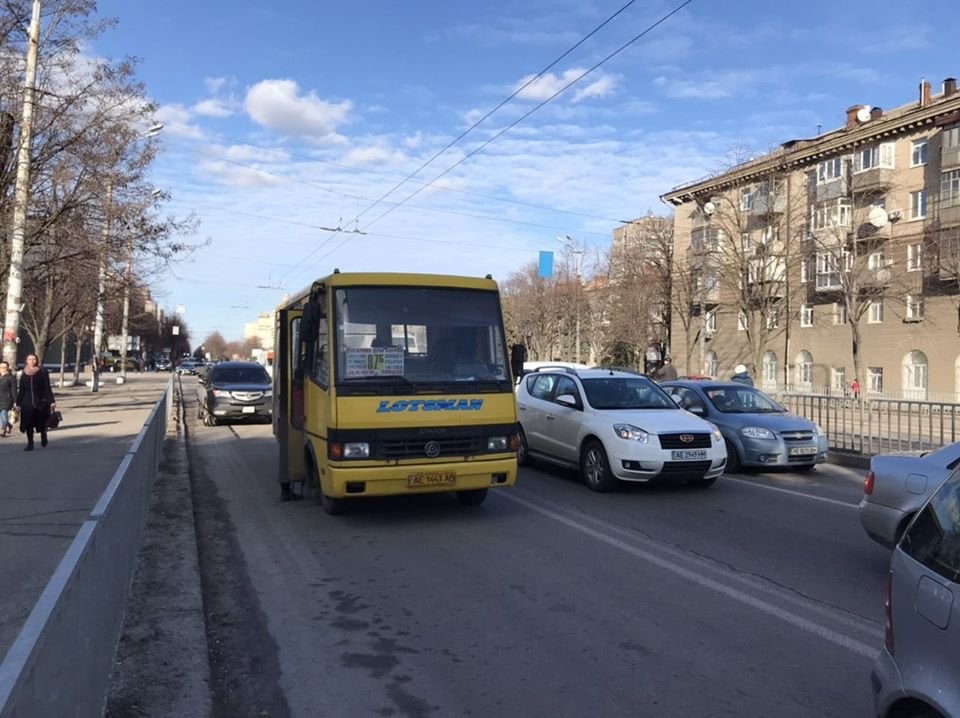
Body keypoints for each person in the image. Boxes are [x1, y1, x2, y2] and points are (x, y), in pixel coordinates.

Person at [16, 354, 56, 451]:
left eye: (34, 359)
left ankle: (43, 434)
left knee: (41, 422)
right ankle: (30, 443)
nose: (32, 361)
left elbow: (47, 388)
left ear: (37, 360)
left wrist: (51, 401)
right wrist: (18, 403)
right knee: (28, 423)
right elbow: (21, 390)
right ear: (26, 361)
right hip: (27, 402)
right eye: (29, 359)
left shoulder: (42, 372)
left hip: (41, 401)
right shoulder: (24, 373)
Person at [0, 361, 15, 437]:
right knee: (1, 415)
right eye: (1, 367)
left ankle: (3, 430)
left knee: (3, 414)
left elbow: (14, 390)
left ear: (8, 368)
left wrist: (15, 401)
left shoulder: (11, 377)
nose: (2, 369)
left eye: (4, 367)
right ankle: (8, 425)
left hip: (6, 399)